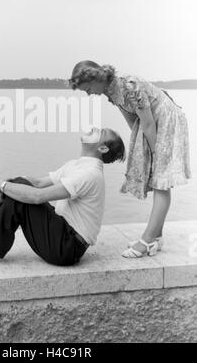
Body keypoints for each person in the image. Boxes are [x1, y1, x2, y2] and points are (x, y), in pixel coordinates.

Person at [0, 126, 125, 267]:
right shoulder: (76, 165)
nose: (94, 129)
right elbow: (37, 183)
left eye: (101, 132)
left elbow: (38, 196)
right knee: (19, 184)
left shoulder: (90, 174)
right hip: (63, 235)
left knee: (20, 196)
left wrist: (4, 186)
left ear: (102, 147)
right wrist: (11, 182)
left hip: (67, 248)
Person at [69, 61, 191, 258]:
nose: (89, 93)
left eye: (88, 88)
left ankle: (148, 239)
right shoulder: (112, 93)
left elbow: (149, 123)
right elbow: (134, 122)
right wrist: (140, 149)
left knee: (161, 182)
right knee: (153, 177)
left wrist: (155, 152)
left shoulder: (129, 86)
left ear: (96, 79)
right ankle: (157, 237)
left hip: (166, 122)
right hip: (151, 125)